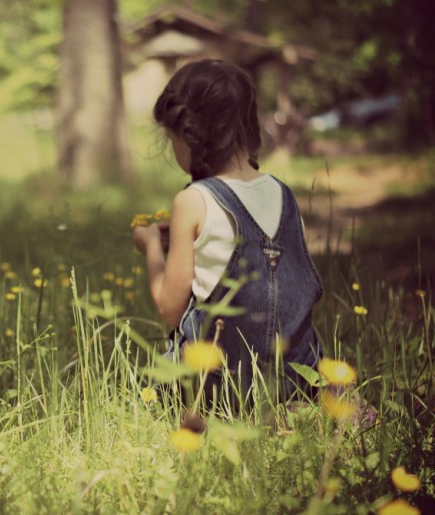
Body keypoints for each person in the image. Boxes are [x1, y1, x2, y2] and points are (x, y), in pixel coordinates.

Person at [132, 59, 323, 403]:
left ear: (188, 135)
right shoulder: (284, 195)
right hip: (296, 381)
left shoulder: (192, 201)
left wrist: (151, 248)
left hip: (222, 387)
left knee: (152, 382)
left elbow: (169, 309)